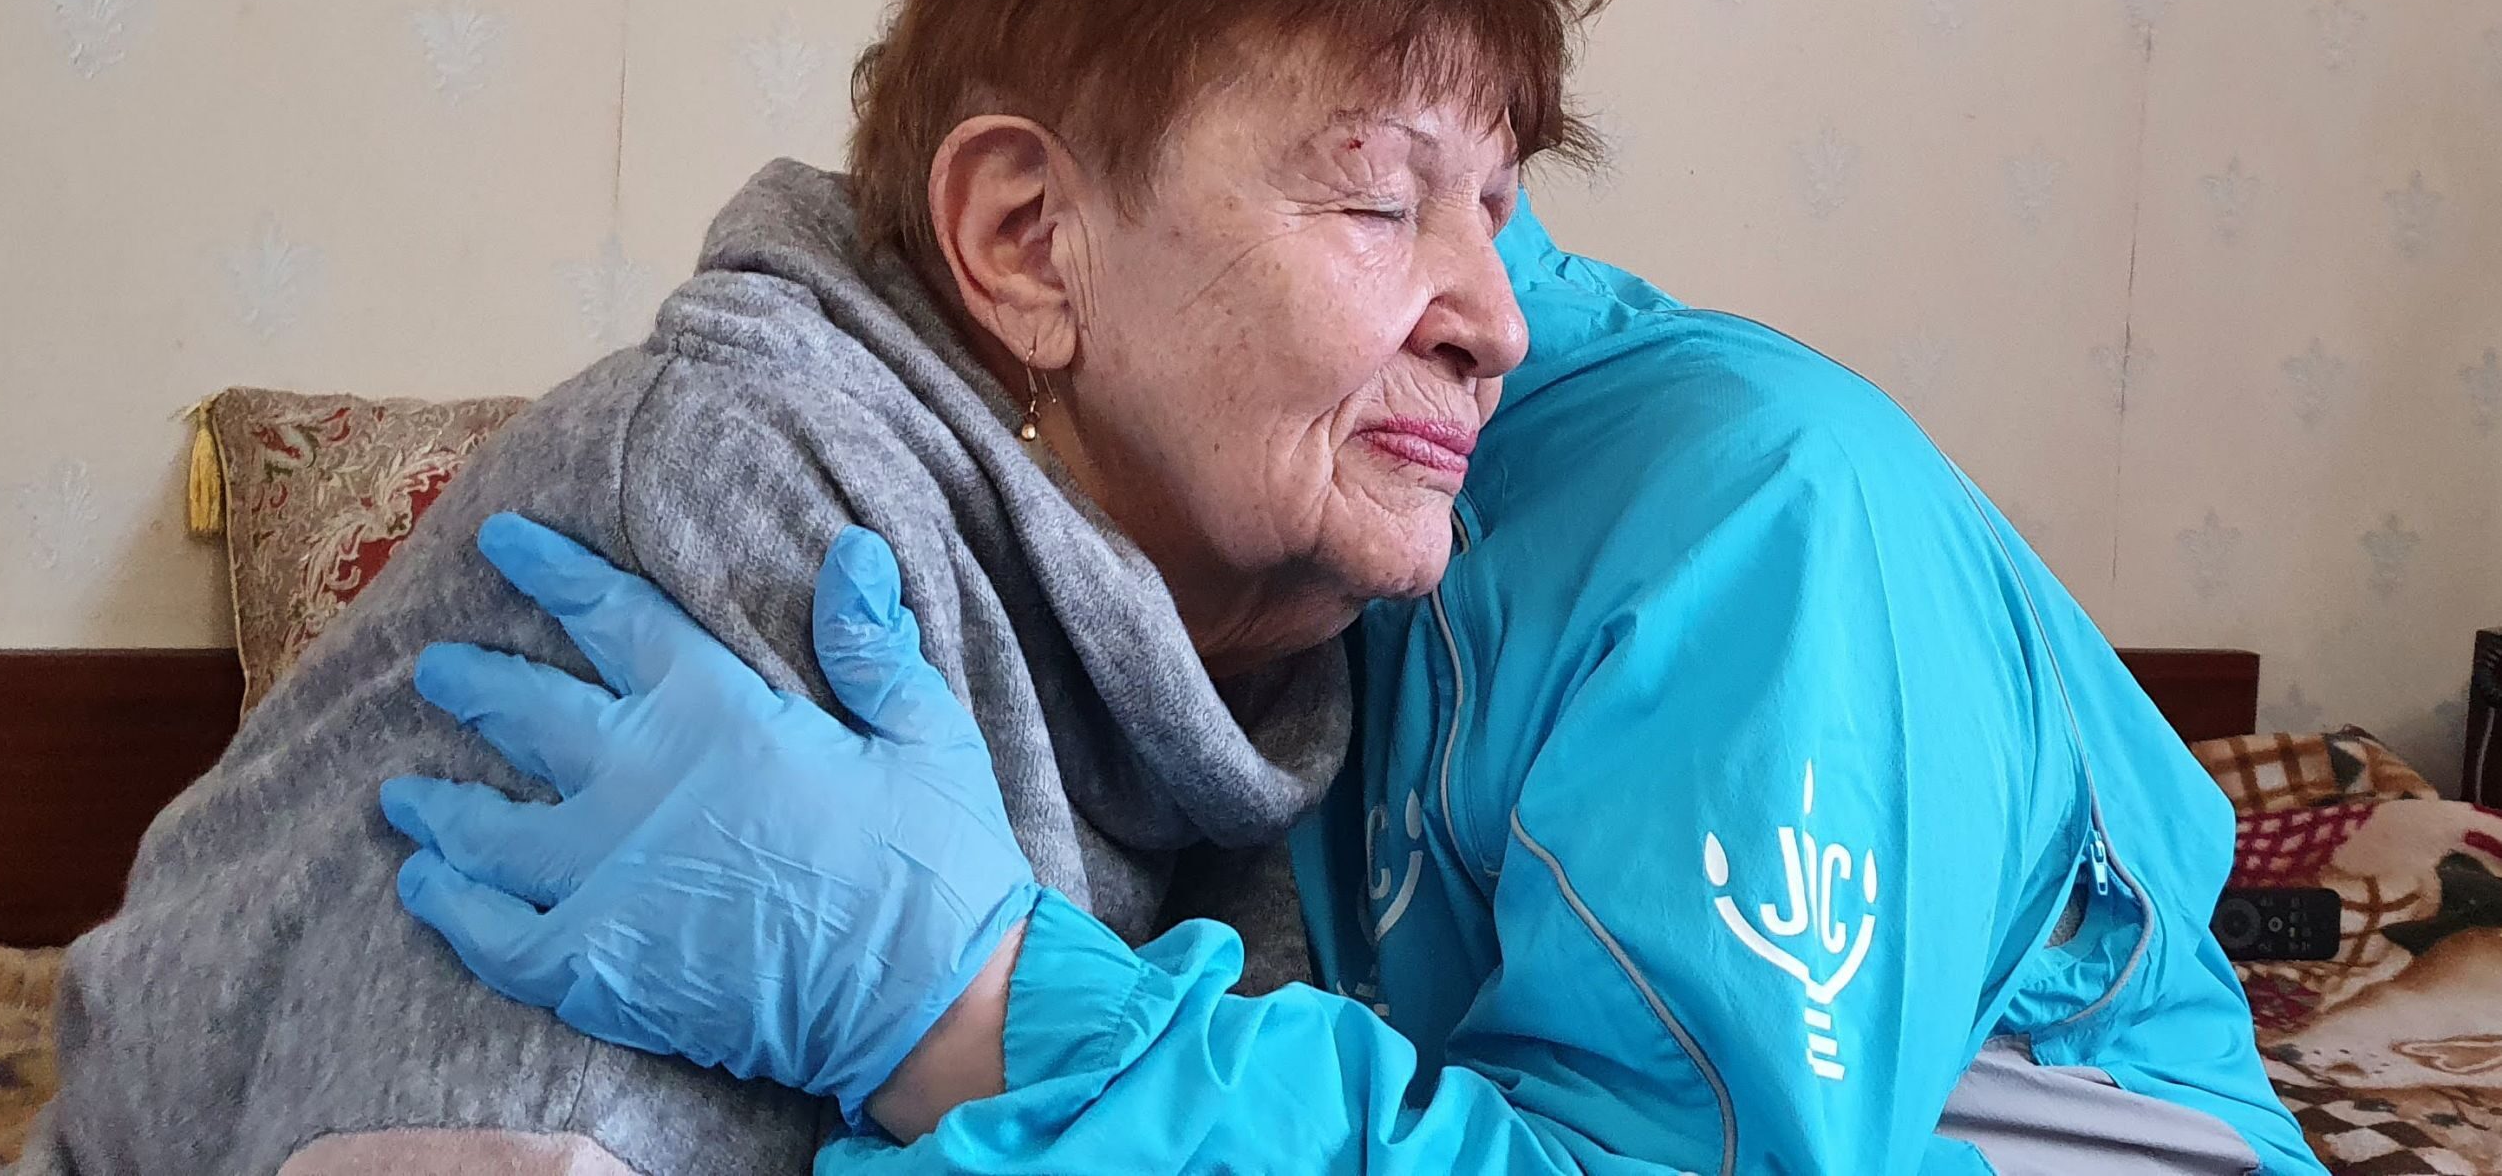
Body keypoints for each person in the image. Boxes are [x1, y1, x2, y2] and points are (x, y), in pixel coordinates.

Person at [19, 0, 1606, 1175]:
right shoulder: (740, 491)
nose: (1497, 320)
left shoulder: (1292, 654)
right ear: (1027, 240)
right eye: (1380, 197)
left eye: (1495, 215)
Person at [381, 220, 2335, 1165]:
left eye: (1461, 194)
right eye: (1369, 192)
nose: (1465, 302)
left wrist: (977, 1003)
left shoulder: (1745, 518)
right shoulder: (1241, 551)